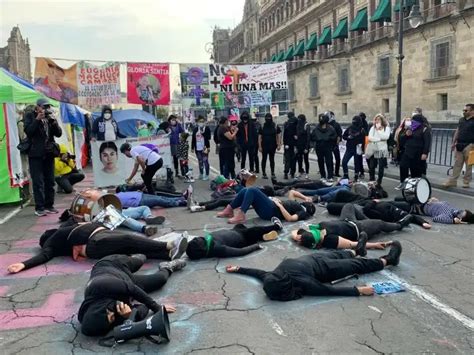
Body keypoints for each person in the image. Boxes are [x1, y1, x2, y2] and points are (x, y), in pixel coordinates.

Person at [225, 242, 403, 301]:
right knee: (355, 265)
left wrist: (238, 268)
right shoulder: (303, 283)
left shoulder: (272, 278)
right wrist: (357, 291)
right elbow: (327, 291)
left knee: (338, 254)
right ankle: (388, 260)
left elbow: (258, 273)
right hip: (324, 270)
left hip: (313, 259)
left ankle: (358, 250)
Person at [6, 223, 189, 274]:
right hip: (94, 243)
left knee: (130, 245)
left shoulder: (66, 228)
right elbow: (45, 255)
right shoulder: (52, 241)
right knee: (129, 239)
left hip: (99, 236)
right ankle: (167, 245)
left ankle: (168, 254)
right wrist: (24, 264)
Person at [78, 254, 184, 336]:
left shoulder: (98, 286)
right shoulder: (106, 318)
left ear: (97, 308)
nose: (112, 313)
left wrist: (157, 308)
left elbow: (133, 290)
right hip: (128, 280)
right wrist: (129, 316)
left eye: (108, 312)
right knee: (160, 279)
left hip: (113, 265)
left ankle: (136, 254)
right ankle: (168, 266)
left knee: (141, 259)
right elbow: (143, 308)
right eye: (111, 318)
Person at [291, 204, 410, 251]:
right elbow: (352, 244)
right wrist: (375, 245)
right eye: (320, 236)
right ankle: (400, 225)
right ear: (317, 242)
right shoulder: (331, 240)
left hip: (346, 220)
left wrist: (296, 237)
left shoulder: (313, 230)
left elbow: (294, 231)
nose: (322, 233)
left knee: (348, 206)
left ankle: (367, 219)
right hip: (358, 228)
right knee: (379, 223)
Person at [24, 98, 62, 217]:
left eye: (47, 107)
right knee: (38, 181)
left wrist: (54, 122)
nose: (46, 109)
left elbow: (58, 134)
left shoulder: (50, 118)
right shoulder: (30, 116)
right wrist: (37, 119)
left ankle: (49, 205)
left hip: (49, 153)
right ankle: (39, 207)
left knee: (50, 180)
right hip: (35, 154)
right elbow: (29, 132)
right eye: (44, 107)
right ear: (38, 107)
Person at [186, 219, 283, 260]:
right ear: (201, 248)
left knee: (240, 225)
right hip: (243, 238)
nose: (197, 239)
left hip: (236, 231)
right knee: (254, 230)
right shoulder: (217, 248)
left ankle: (262, 237)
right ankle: (277, 226)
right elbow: (240, 252)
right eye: (196, 241)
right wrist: (255, 247)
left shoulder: (206, 242)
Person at [216, 187, 316, 224]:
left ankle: (241, 215)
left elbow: (290, 218)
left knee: (252, 190)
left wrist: (279, 205)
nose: (309, 202)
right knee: (245, 190)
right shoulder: (297, 204)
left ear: (309, 208)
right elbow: (292, 192)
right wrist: (305, 197)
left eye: (309, 203)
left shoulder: (303, 212)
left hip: (272, 211)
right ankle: (229, 209)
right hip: (271, 206)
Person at [443, 103, 474, 189]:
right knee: (457, 163)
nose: (464, 112)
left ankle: (466, 182)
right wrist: (453, 142)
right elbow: (458, 130)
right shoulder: (461, 120)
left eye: (466, 110)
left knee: (469, 165)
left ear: (472, 111)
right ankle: (453, 181)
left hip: (470, 145)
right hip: (459, 144)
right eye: (464, 110)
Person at [397, 113, 431, 188]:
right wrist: (406, 135)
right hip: (408, 151)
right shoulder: (410, 128)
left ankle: (414, 186)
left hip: (418, 153)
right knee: (403, 166)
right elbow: (401, 139)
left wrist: (425, 153)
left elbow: (427, 142)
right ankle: (403, 182)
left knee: (415, 170)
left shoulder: (425, 129)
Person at [366, 114, 391, 186]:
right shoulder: (372, 128)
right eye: (376, 119)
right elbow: (370, 137)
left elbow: (386, 137)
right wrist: (379, 139)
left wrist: (379, 130)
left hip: (382, 149)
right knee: (372, 165)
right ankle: (372, 179)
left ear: (382, 120)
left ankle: (379, 181)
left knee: (381, 166)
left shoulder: (386, 128)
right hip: (373, 148)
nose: (377, 121)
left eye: (379, 119)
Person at [311, 113, 336, 182]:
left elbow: (334, 137)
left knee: (329, 162)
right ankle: (323, 175)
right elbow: (312, 136)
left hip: (328, 147)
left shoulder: (330, 128)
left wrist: (328, 139)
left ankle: (330, 176)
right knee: (320, 161)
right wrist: (318, 139)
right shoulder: (316, 128)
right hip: (319, 147)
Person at [342, 115, 365, 180]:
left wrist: (362, 149)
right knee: (344, 161)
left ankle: (356, 176)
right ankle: (346, 175)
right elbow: (344, 136)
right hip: (349, 148)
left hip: (357, 148)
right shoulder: (349, 128)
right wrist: (348, 137)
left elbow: (364, 140)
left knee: (356, 163)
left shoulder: (362, 130)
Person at [259, 113, 281, 179]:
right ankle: (264, 173)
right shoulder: (262, 126)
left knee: (272, 159)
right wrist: (259, 146)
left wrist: (279, 144)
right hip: (264, 145)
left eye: (269, 118)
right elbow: (259, 137)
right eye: (267, 118)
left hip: (272, 145)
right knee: (264, 159)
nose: (268, 119)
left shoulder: (275, 125)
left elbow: (278, 135)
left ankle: (272, 173)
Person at [116, 190, 187, 208]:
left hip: (139, 195)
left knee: (160, 198)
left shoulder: (111, 196)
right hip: (139, 201)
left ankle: (180, 198)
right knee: (159, 201)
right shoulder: (110, 205)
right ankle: (179, 203)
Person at [192, 115, 211, 180]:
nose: (201, 123)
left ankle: (207, 175)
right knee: (200, 161)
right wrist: (192, 147)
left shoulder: (207, 128)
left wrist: (203, 133)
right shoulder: (195, 129)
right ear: (197, 122)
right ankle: (201, 173)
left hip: (205, 148)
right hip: (198, 148)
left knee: (205, 161)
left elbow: (209, 137)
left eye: (202, 121)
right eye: (200, 121)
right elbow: (193, 139)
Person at [327, 111, 343, 177]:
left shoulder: (336, 124)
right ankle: (331, 172)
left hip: (335, 144)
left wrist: (337, 142)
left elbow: (340, 134)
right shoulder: (326, 124)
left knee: (337, 159)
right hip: (328, 144)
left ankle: (336, 172)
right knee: (329, 159)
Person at [283, 112, 298, 179]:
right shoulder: (296, 123)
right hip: (293, 144)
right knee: (293, 159)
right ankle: (292, 173)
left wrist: (285, 143)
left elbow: (285, 135)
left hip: (288, 144)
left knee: (288, 159)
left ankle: (287, 172)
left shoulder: (287, 124)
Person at [296, 114, 311, 178]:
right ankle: (300, 171)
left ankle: (307, 173)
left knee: (306, 159)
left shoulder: (306, 125)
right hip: (299, 145)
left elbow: (308, 137)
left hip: (305, 145)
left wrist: (307, 147)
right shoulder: (298, 125)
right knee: (299, 159)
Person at [356, 112, 369, 179]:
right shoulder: (358, 123)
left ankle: (362, 172)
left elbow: (366, 134)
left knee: (366, 158)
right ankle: (360, 172)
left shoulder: (365, 124)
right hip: (359, 143)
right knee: (358, 158)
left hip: (364, 143)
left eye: (361, 116)